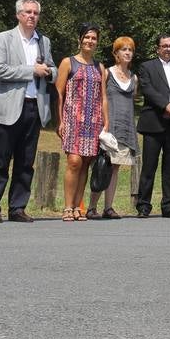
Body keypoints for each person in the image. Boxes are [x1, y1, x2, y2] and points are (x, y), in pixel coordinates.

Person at [0, 0, 53, 223]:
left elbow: (51, 67)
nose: (32, 16)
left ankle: (17, 207)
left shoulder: (44, 41)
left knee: (26, 162)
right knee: (1, 160)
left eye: (35, 13)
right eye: (27, 12)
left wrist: (50, 72)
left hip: (35, 106)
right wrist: (31, 70)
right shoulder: (4, 38)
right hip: (9, 107)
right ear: (18, 15)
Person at [55, 24, 108, 222]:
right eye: (87, 37)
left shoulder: (99, 67)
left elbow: (103, 97)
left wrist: (106, 123)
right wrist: (59, 121)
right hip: (72, 119)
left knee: (86, 162)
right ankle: (67, 206)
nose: (90, 41)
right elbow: (59, 93)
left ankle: (78, 205)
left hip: (93, 120)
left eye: (94, 38)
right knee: (74, 161)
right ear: (80, 39)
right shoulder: (68, 63)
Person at [135, 33, 170, 218]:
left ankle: (169, 206)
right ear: (157, 48)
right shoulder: (147, 67)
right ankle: (143, 205)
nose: (168, 48)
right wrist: (165, 105)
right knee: (149, 167)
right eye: (164, 45)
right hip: (154, 122)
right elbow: (147, 89)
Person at [89, 36, 137, 220]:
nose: (127, 53)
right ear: (115, 53)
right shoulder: (107, 72)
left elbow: (132, 101)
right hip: (108, 127)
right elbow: (100, 98)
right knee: (103, 166)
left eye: (130, 50)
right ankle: (92, 207)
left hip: (125, 127)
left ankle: (108, 207)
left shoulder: (134, 77)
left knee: (115, 167)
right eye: (123, 49)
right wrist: (103, 124)